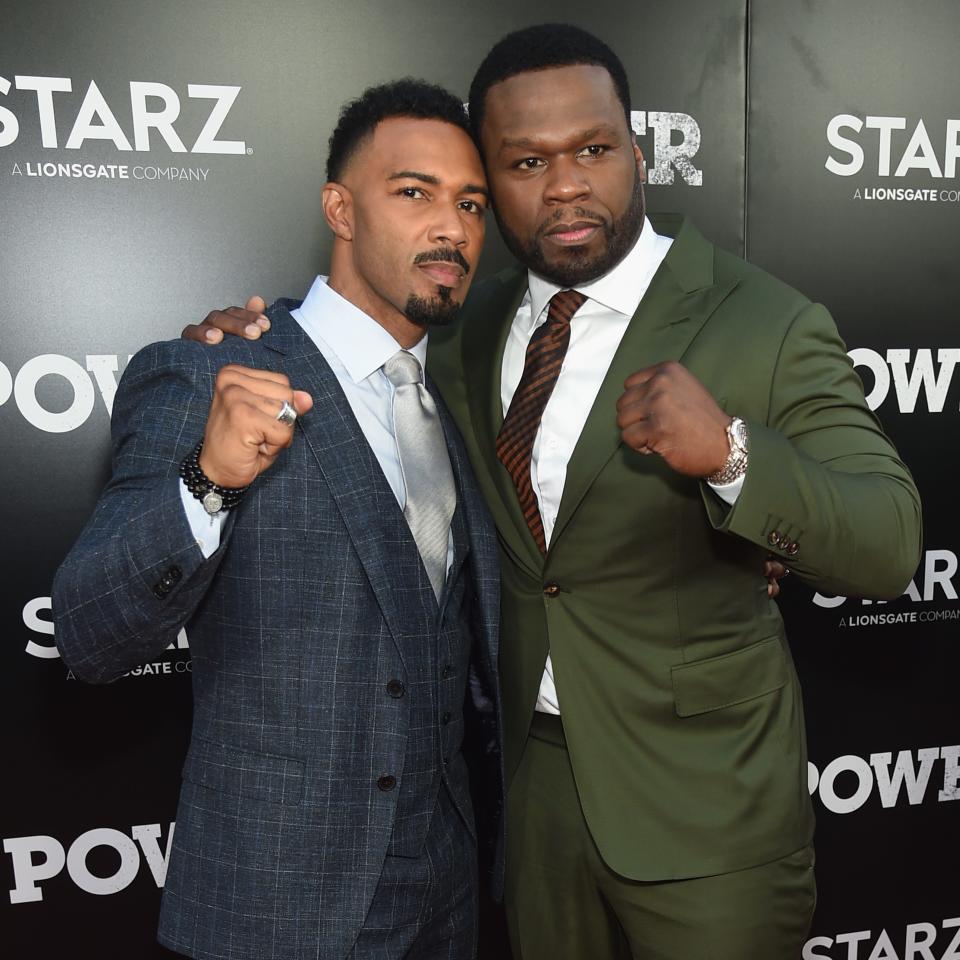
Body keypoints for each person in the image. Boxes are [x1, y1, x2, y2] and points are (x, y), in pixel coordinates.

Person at [185, 23, 922, 960]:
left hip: (707, 818)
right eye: (526, 162)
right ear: (491, 190)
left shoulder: (766, 321)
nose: (566, 183)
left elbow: (891, 540)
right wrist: (241, 339)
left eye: (594, 149)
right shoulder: (463, 325)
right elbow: (348, 352)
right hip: (528, 803)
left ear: (639, 153)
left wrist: (735, 453)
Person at [53, 80, 503, 960]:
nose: (450, 226)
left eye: (471, 203)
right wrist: (210, 478)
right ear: (339, 207)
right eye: (413, 192)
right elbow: (88, 631)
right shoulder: (208, 372)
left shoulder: (456, 402)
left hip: (447, 899)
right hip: (276, 907)